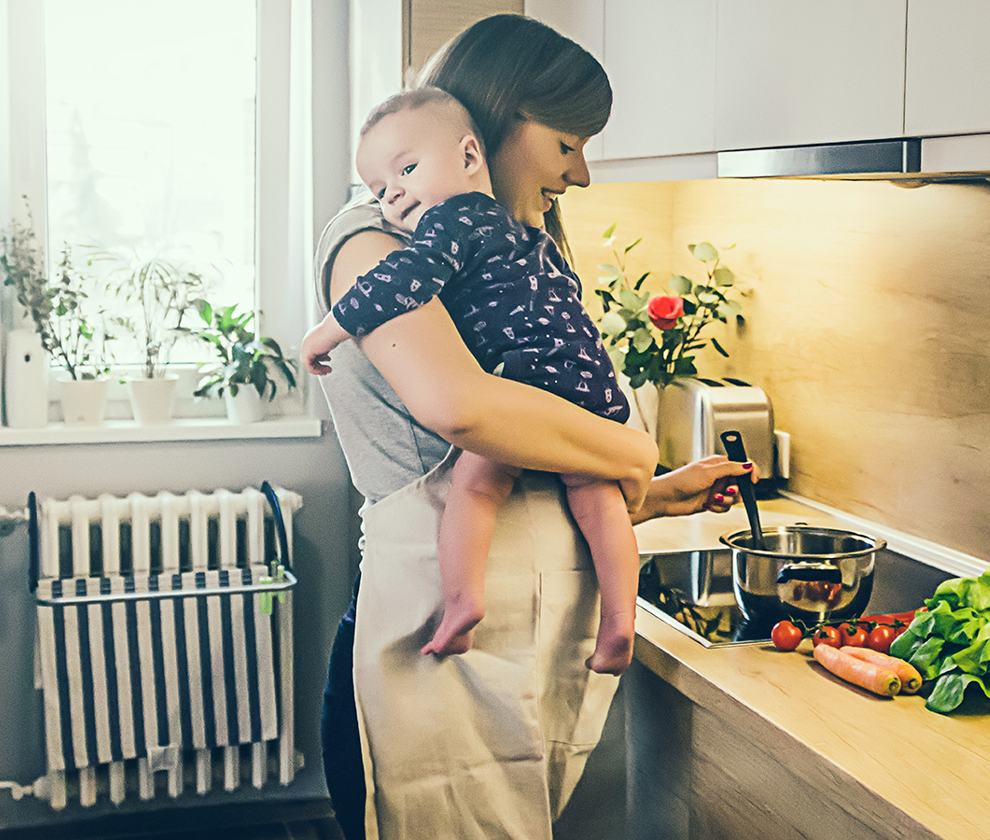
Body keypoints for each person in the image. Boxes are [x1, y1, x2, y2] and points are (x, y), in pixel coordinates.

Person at [315, 14, 753, 840]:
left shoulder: (515, 254)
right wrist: (631, 448)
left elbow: (540, 466)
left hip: (518, 666)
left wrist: (652, 496)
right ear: (495, 126)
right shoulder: (373, 240)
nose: (582, 173)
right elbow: (464, 409)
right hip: (430, 653)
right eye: (567, 142)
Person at [302, 87, 641, 675]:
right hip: (585, 379)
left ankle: (462, 600)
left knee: (476, 486)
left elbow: (401, 282)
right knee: (599, 500)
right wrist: (636, 454)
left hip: (522, 379)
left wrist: (329, 329)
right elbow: (571, 304)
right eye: (382, 190)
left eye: (407, 171)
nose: (393, 195)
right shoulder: (528, 235)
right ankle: (618, 625)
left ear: (467, 156)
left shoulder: (452, 219)